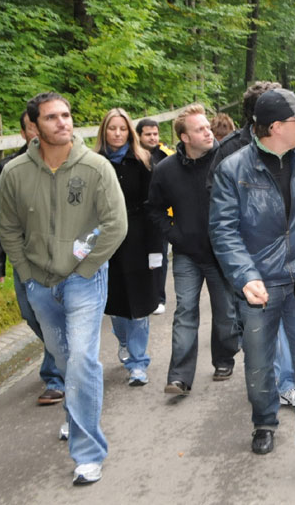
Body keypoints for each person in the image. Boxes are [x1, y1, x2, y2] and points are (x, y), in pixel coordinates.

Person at [0, 92, 127, 485]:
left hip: (84, 281)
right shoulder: (14, 173)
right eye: (52, 117)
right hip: (39, 282)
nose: (63, 123)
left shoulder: (96, 167)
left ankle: (88, 453)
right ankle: (76, 413)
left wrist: (87, 269)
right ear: (34, 126)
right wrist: (26, 273)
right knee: (66, 359)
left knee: (84, 359)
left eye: (67, 115)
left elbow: (115, 224)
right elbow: (8, 228)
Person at [210, 88, 295, 485]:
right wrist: (246, 276)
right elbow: (223, 230)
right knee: (260, 365)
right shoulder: (232, 169)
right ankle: (264, 421)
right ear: (276, 127)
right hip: (257, 288)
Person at [146, 104, 240, 396]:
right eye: (200, 129)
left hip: (221, 253)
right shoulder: (166, 170)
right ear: (184, 138)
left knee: (225, 313)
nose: (208, 132)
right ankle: (179, 377)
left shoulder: (225, 161)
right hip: (187, 253)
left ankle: (223, 359)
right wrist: (175, 235)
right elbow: (154, 209)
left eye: (208, 127)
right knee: (185, 311)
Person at [0, 109, 65, 406]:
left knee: (52, 312)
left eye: (41, 125)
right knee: (31, 313)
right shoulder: (8, 168)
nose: (38, 133)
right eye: (31, 128)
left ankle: (55, 376)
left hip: (61, 255)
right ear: (24, 134)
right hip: (24, 256)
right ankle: (66, 352)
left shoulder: (66, 163)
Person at [95, 108, 162, 387]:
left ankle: (138, 362)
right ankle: (123, 341)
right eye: (113, 128)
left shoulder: (143, 162)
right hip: (106, 240)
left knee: (140, 304)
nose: (118, 134)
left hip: (138, 238)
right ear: (104, 131)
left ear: (130, 132)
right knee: (115, 303)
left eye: (123, 129)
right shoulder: (94, 164)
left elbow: (153, 207)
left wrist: (156, 250)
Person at [135, 118, 174, 315]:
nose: (152, 137)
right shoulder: (133, 155)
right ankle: (142, 295)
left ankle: (159, 297)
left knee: (159, 257)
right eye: (148, 134)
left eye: (155, 134)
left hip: (160, 215)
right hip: (137, 215)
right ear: (139, 135)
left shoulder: (166, 155)